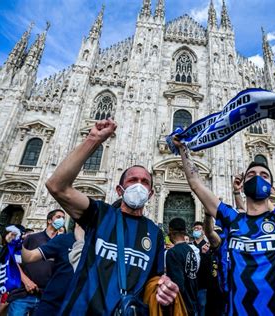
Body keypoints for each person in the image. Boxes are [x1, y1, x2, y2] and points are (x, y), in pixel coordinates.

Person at [172, 74, 275, 315]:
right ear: (242, 185)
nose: (257, 177)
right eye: (251, 174)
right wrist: (183, 150)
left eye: (264, 174)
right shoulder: (232, 219)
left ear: (273, 188)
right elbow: (196, 184)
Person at [45, 118, 178, 315]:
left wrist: (164, 287)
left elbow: (153, 279)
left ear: (151, 193)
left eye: (144, 182)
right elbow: (57, 186)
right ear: (119, 190)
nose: (138, 185)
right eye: (133, 180)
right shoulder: (100, 215)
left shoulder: (155, 233)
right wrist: (93, 139)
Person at [7, 209, 65, 315]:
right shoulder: (32, 238)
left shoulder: (62, 242)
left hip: (46, 297)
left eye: (63, 218)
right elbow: (14, 261)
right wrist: (26, 281)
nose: (62, 220)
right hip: (23, 293)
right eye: (58, 217)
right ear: (49, 220)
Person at [21, 224, 82, 315]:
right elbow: (29, 256)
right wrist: (17, 244)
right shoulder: (64, 239)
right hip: (52, 304)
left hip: (79, 306)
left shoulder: (101, 243)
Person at [166, 218, 198, 315]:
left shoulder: (173, 252)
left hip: (180, 305)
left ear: (171, 232)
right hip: (191, 302)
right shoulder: (191, 250)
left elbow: (177, 284)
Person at [191, 221, 210, 316]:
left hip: (203, 284)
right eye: (195, 229)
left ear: (203, 232)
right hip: (192, 283)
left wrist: (204, 254)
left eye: (199, 228)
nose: (197, 230)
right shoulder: (190, 246)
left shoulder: (207, 245)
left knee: (202, 307)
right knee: (192, 309)